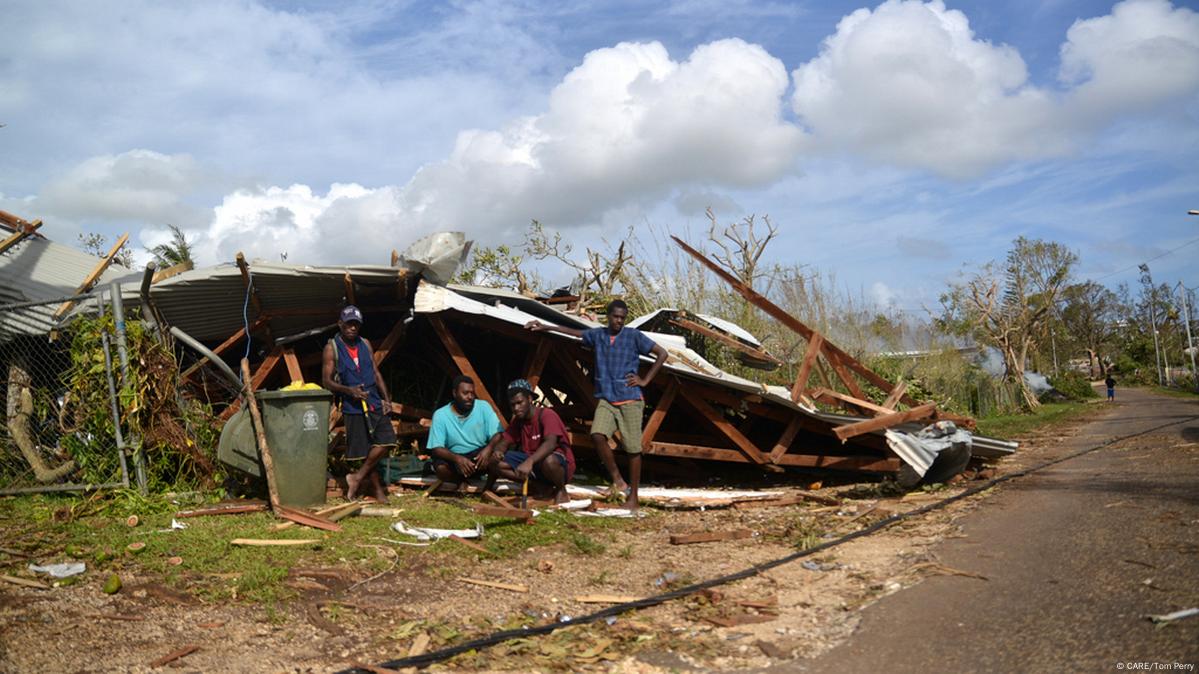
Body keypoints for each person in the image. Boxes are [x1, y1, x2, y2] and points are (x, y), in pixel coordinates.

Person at [525, 299, 667, 510]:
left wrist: (645, 380)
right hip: (607, 398)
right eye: (615, 317)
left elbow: (662, 354)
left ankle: (633, 497)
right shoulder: (599, 335)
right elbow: (574, 332)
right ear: (608, 316)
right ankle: (618, 480)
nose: (619, 321)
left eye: (622, 318)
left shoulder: (633, 336)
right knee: (597, 435)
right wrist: (546, 326)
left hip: (630, 399)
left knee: (633, 449)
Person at [321, 305, 396, 501]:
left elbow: (375, 372)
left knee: (387, 440)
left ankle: (356, 477)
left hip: (372, 400)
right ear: (340, 324)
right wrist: (349, 391)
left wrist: (386, 399)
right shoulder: (332, 348)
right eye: (348, 324)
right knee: (365, 450)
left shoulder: (365, 344)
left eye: (356, 324)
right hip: (352, 404)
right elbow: (326, 381)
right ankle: (377, 489)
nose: (352, 328)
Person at [480, 379, 575, 504]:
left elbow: (550, 443)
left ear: (530, 399)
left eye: (519, 403)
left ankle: (561, 490)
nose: (516, 408)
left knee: (549, 461)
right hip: (532, 463)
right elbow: (504, 442)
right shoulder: (518, 421)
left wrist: (529, 461)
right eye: (513, 405)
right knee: (494, 462)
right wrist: (498, 451)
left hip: (556, 464)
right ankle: (539, 486)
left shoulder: (547, 415)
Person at [426, 375, 503, 489]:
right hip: (455, 457)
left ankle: (487, 489)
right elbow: (436, 448)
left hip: (479, 456)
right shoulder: (440, 415)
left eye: (472, 393)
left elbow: (498, 433)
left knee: (497, 457)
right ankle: (459, 481)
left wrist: (488, 449)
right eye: (465, 393)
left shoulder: (483, 407)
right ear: (455, 393)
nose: (470, 397)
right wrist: (458, 459)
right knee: (441, 469)